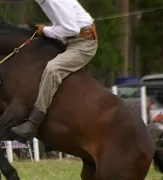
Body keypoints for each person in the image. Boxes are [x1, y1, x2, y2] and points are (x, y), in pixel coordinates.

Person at [11, 0, 98, 139]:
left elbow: (72, 29)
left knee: (52, 69)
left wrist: (45, 30)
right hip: (71, 40)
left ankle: (33, 123)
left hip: (84, 44)